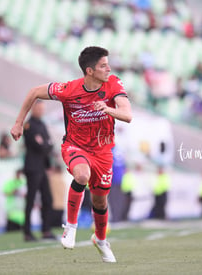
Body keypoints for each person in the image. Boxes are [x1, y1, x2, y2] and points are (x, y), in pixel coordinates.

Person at [10, 46, 132, 263]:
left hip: (103, 151)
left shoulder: (113, 83)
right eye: (103, 65)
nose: (109, 68)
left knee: (100, 202)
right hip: (75, 146)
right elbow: (34, 92)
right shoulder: (68, 89)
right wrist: (19, 122)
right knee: (82, 176)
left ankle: (101, 240)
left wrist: (107, 109)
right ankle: (71, 226)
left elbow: (127, 114)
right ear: (90, 71)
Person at [22, 100, 55, 241]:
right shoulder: (29, 125)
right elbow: (39, 146)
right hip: (32, 167)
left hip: (42, 167)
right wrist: (45, 144)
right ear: (33, 109)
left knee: (47, 199)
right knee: (30, 200)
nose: (41, 111)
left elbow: (49, 144)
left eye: (43, 109)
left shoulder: (41, 124)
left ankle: (46, 230)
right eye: (39, 108)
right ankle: (27, 232)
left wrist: (45, 144)